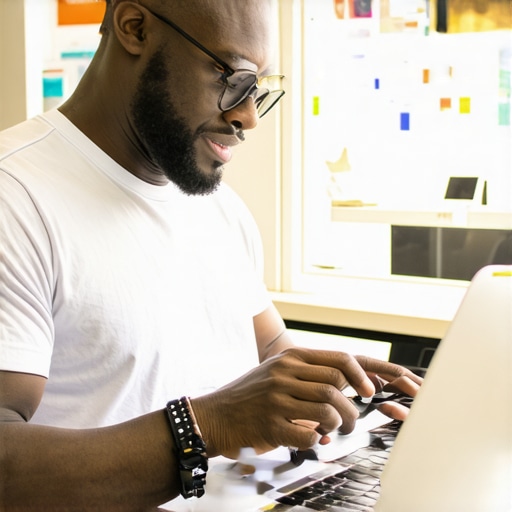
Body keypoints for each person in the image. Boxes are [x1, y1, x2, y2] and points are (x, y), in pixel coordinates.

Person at [0, 0, 422, 510]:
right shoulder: (15, 197)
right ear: (134, 28)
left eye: (258, 86)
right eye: (233, 77)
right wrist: (208, 425)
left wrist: (337, 385)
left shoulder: (219, 207)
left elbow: (269, 349)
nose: (247, 115)